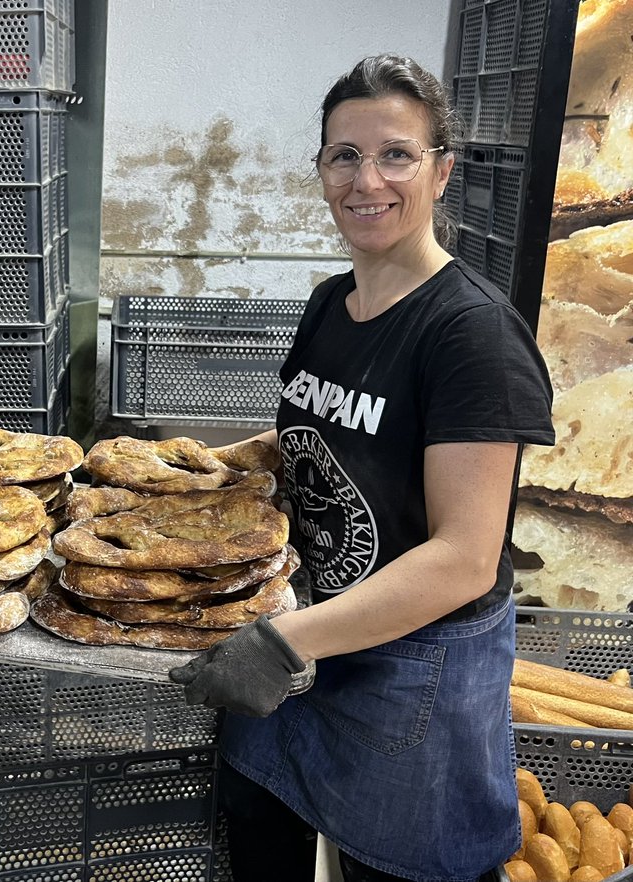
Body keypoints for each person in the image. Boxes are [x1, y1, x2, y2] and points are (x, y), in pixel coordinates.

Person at [169, 55, 554, 882]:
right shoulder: (329, 304)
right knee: (258, 838)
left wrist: (282, 644)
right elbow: (314, 446)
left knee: (394, 871)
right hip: (307, 626)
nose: (366, 179)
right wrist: (196, 475)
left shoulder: (471, 337)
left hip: (411, 670)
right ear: (320, 171)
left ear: (441, 171)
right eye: (344, 155)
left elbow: (462, 559)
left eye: (396, 154)